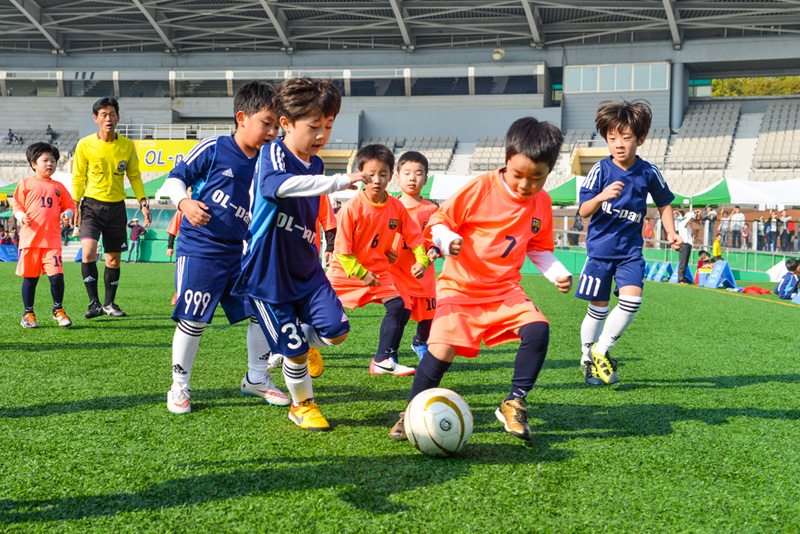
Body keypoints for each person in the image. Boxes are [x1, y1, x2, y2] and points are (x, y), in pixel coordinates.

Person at [388, 117, 571, 442]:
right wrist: (446, 240)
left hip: (505, 291)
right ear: (506, 160)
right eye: (518, 175)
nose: (525, 185)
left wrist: (557, 272)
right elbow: (439, 221)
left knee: (538, 329)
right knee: (441, 353)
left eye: (536, 178)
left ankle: (515, 402)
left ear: (549, 171)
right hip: (460, 289)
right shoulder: (481, 187)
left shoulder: (542, 202)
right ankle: (410, 411)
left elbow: (539, 249)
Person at [232, 77, 369, 431]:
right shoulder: (272, 153)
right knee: (291, 348)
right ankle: (302, 404)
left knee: (337, 332)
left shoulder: (317, 164)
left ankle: (298, 339)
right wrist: (340, 182)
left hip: (307, 271)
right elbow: (274, 187)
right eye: (314, 127)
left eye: (328, 125)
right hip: (268, 274)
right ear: (287, 124)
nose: (322, 135)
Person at [161, 81, 285, 414]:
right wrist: (184, 202)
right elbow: (173, 179)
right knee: (194, 319)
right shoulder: (213, 148)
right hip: (201, 247)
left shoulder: (271, 160)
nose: (273, 131)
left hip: (244, 251)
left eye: (277, 125)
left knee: (262, 309)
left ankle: (257, 378)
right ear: (242, 117)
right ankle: (179, 386)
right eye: (267, 123)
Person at [575, 99, 682, 386]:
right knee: (596, 309)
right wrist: (600, 197)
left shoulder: (649, 172)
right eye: (612, 138)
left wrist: (671, 232)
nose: (619, 144)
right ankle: (587, 359)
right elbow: (583, 211)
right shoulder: (599, 171)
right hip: (600, 251)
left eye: (626, 137)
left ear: (640, 139)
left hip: (631, 252)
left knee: (632, 300)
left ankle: (601, 350)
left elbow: (665, 203)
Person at [326, 144, 429, 376]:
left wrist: (421, 260)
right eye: (370, 174)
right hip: (345, 272)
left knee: (398, 306)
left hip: (379, 272)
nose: (377, 180)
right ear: (360, 173)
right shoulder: (352, 208)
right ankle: (287, 348)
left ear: (391, 176)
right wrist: (362, 273)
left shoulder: (396, 207)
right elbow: (341, 252)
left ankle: (383, 359)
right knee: (320, 319)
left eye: (383, 174)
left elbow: (415, 237)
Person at [72, 97, 150, 318]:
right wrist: (75, 204)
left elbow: (134, 176)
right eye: (104, 115)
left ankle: (109, 304)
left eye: (112, 114)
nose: (108, 118)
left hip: (117, 208)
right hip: (91, 207)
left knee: (113, 259)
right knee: (87, 252)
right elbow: (78, 177)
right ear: (96, 118)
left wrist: (143, 203)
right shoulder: (84, 144)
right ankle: (93, 303)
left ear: (118, 117)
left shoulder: (126, 145)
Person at [13, 142, 76, 328]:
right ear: (34, 163)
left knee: (57, 277)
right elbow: (16, 205)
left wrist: (68, 214)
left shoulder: (58, 186)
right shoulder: (25, 184)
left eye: (53, 161)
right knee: (31, 279)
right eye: (45, 160)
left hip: (52, 242)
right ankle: (28, 314)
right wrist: (20, 216)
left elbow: (70, 205)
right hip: (30, 241)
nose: (50, 164)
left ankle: (58, 309)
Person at [389, 151, 440, 361]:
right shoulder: (389, 207)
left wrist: (432, 252)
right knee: (398, 314)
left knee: (429, 317)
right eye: (407, 173)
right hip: (396, 273)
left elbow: (436, 241)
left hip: (423, 275)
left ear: (426, 179)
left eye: (418, 173)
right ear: (397, 177)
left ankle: (420, 341)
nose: (412, 178)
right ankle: (389, 353)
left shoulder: (432, 209)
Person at [676, 209, 694, 284]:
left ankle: (682, 278)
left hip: (688, 245)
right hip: (685, 244)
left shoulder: (687, 226)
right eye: (691, 219)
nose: (691, 220)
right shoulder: (683, 223)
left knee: (685, 263)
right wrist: (693, 213)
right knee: (683, 262)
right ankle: (681, 279)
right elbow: (688, 218)